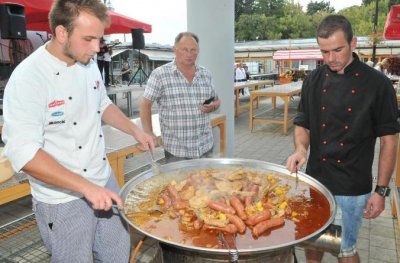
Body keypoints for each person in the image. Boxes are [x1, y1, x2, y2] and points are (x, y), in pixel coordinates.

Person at [2, 0, 155, 262]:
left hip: (102, 178)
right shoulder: (28, 78)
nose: (96, 48)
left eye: (99, 38)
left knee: (117, 253)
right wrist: (85, 188)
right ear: (62, 33)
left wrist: (134, 130)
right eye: (89, 39)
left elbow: (102, 103)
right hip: (61, 199)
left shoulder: (87, 60)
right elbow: (24, 154)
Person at [286, 15, 399, 263]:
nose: (330, 59)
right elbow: (302, 123)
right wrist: (301, 150)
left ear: (353, 43)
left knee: (344, 250)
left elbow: (389, 141)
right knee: (312, 243)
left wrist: (380, 191)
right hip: (315, 181)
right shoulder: (313, 81)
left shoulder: (377, 84)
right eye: (324, 52)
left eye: (337, 50)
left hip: (351, 186)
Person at [140, 32, 220, 163]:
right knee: (179, 184)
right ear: (175, 50)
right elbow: (145, 103)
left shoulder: (206, 74)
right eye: (184, 49)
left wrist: (213, 106)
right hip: (177, 151)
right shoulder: (160, 74)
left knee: (206, 183)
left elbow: (216, 100)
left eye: (193, 50)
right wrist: (149, 132)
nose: (189, 54)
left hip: (205, 147)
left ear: (198, 51)